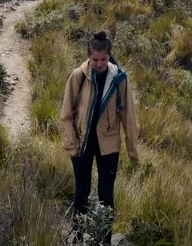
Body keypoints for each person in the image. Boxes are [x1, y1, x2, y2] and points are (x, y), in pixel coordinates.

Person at [59, 30, 138, 214]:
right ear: (89, 57)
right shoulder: (78, 76)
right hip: (81, 143)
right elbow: (66, 114)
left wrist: (132, 150)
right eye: (95, 60)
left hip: (109, 145)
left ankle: (105, 242)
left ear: (109, 56)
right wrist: (72, 147)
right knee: (81, 195)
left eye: (103, 59)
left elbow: (129, 116)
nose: (99, 64)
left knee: (106, 196)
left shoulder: (118, 79)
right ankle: (78, 239)